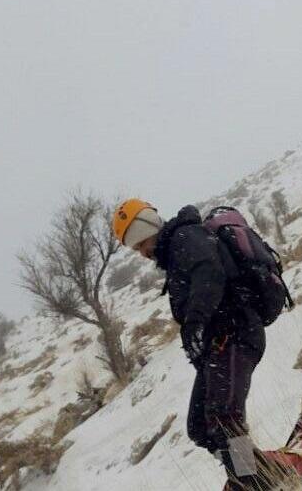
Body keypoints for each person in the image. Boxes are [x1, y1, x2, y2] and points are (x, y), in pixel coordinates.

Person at [112, 199, 278, 491]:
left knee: (224, 417)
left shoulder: (185, 237)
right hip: (220, 344)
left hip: (236, 333)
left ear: (149, 228)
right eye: (136, 249)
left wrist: (195, 323)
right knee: (200, 427)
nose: (143, 254)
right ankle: (259, 472)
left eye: (140, 244)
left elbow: (209, 273)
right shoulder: (177, 249)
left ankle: (252, 482)